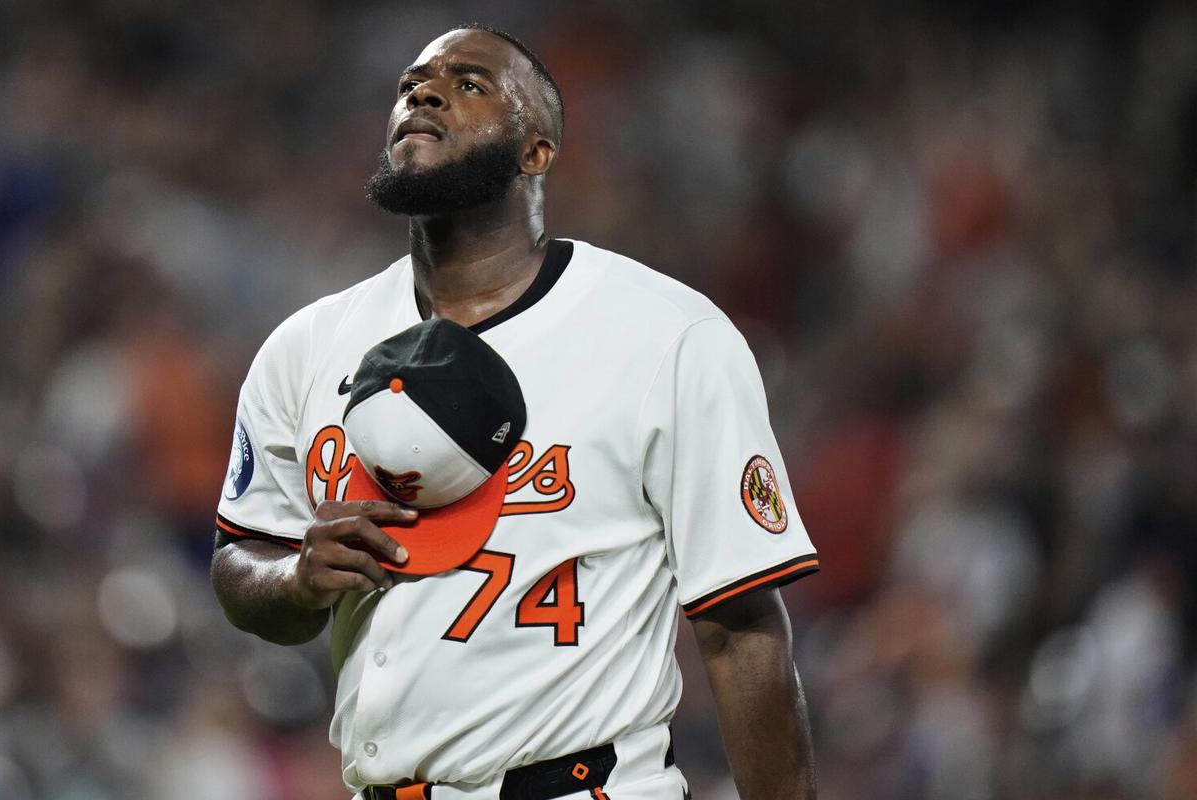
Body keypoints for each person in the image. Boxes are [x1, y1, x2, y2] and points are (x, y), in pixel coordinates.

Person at [211, 23, 820, 800]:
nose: (424, 95)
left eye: (468, 84)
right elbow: (242, 562)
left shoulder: (667, 336)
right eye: (410, 86)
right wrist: (296, 580)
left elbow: (742, 629)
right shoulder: (306, 347)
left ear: (537, 151)